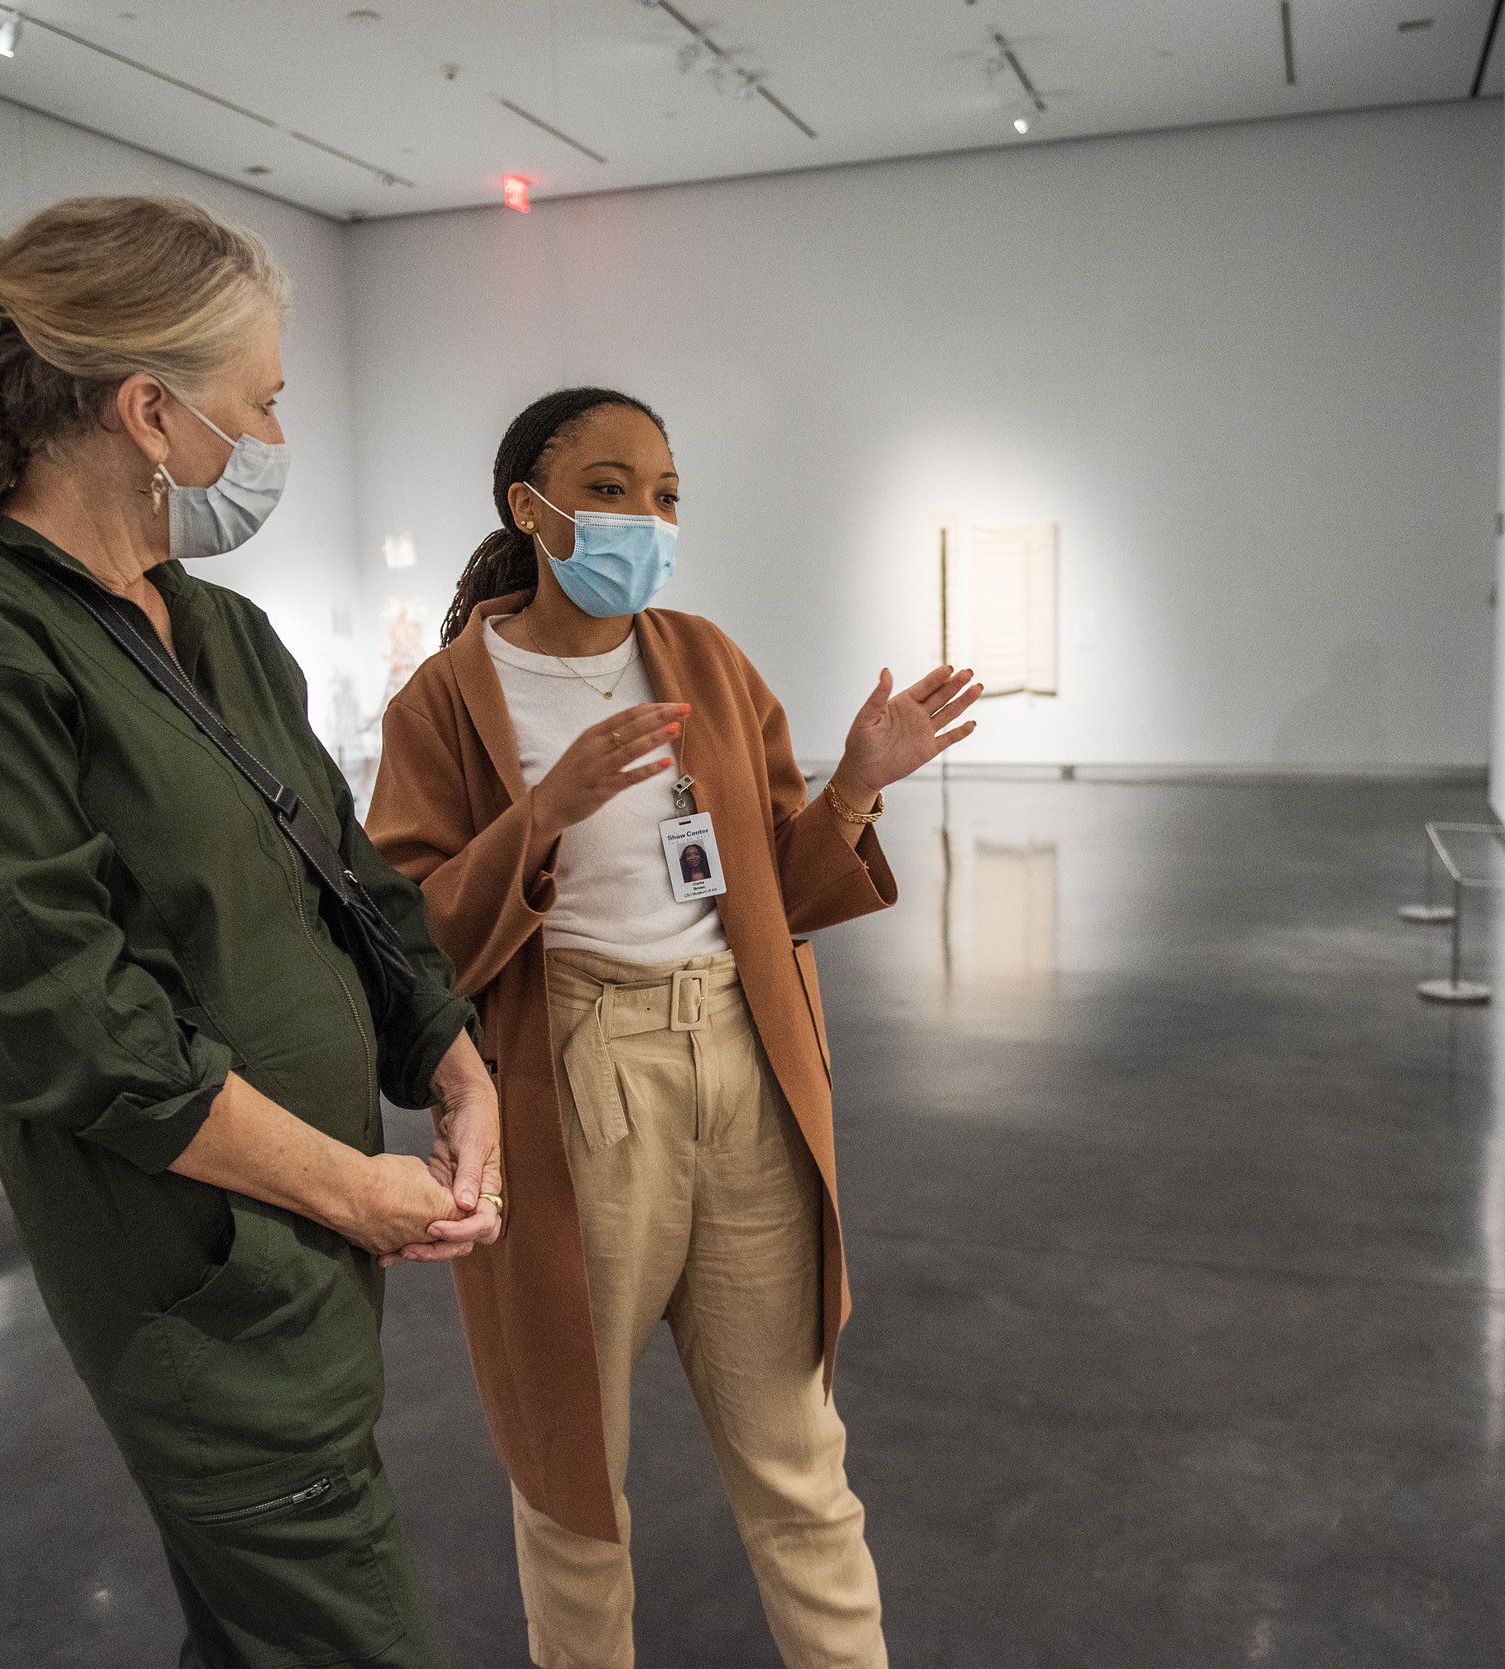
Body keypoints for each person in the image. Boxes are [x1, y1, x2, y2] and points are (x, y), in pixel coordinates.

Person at [0, 196, 501, 1669]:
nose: (270, 432)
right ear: (150, 410)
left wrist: (451, 1056)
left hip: (304, 1240)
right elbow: (69, 1017)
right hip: (200, 1261)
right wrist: (347, 1186)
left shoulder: (218, 630)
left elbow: (347, 874)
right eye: (261, 401)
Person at [366, 387, 979, 1668]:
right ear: (529, 511)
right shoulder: (446, 700)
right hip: (576, 1077)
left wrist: (857, 785)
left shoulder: (703, 657)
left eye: (665, 495)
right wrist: (547, 809)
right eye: (608, 488)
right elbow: (408, 936)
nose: (644, 517)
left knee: (800, 1458)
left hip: (743, 1062)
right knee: (573, 1475)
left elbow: (786, 891)